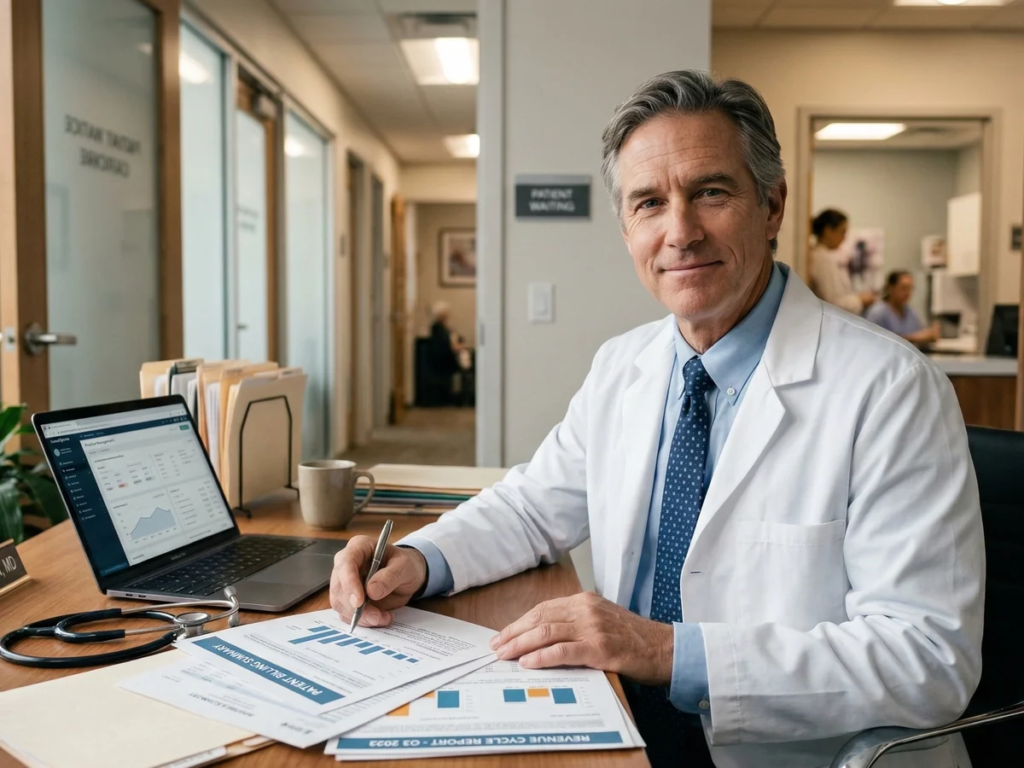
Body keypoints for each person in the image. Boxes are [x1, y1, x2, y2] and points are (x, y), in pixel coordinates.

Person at [331, 71, 984, 768]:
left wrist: (666, 650)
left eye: (711, 192)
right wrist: (419, 558)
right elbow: (532, 507)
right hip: (620, 717)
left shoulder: (890, 389)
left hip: (791, 752)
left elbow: (927, 659)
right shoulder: (624, 364)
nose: (681, 232)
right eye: (650, 203)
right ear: (626, 230)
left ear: (772, 206)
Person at [809, 208, 877, 314]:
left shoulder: (827, 257)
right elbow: (834, 303)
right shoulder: (822, 259)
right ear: (828, 231)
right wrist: (860, 300)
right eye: (842, 232)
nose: (844, 238)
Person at [866, 270, 941, 348]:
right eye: (903, 288)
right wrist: (915, 338)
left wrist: (929, 336)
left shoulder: (911, 313)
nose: (907, 293)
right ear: (890, 288)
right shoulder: (878, 313)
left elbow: (920, 335)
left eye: (910, 288)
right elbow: (873, 342)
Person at [425, 301, 464, 405]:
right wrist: (455, 345)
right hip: (441, 359)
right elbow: (445, 344)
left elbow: (455, 338)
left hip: (445, 357)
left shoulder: (444, 328)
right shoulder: (436, 328)